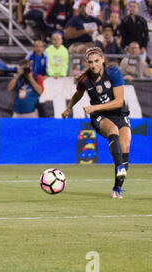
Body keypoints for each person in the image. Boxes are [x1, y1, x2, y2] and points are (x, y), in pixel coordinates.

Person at [61, 47, 130, 199]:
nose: (93, 65)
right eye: (90, 62)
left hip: (119, 113)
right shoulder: (85, 79)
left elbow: (118, 101)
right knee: (112, 130)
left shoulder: (113, 72)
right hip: (100, 116)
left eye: (96, 61)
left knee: (125, 147)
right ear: (87, 63)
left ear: (103, 59)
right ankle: (119, 167)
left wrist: (94, 106)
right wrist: (68, 108)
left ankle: (117, 188)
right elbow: (78, 94)